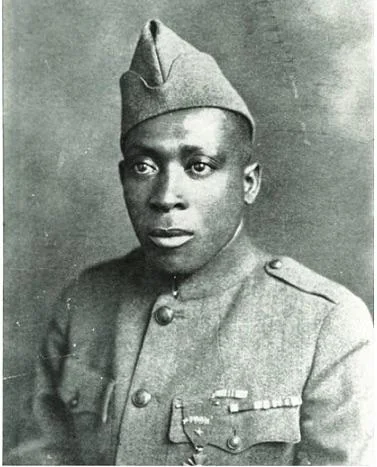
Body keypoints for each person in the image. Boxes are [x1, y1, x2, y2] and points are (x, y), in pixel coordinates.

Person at [10, 19, 373, 465]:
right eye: (144, 167)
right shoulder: (84, 302)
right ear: (123, 178)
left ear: (249, 183)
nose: (165, 197)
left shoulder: (328, 327)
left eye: (199, 165)